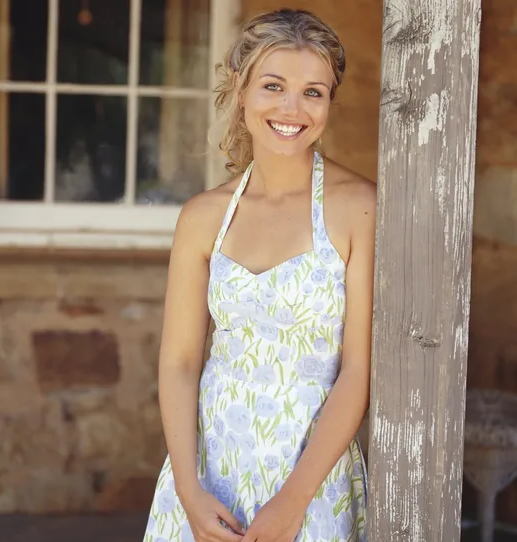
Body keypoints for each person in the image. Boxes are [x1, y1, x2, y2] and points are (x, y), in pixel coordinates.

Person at [143, 8, 375, 542]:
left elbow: (357, 371)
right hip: (209, 477)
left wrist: (293, 504)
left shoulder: (357, 208)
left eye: (313, 92)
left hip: (311, 480)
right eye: (273, 86)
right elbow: (179, 361)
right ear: (240, 89)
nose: (292, 109)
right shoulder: (203, 217)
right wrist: (187, 488)